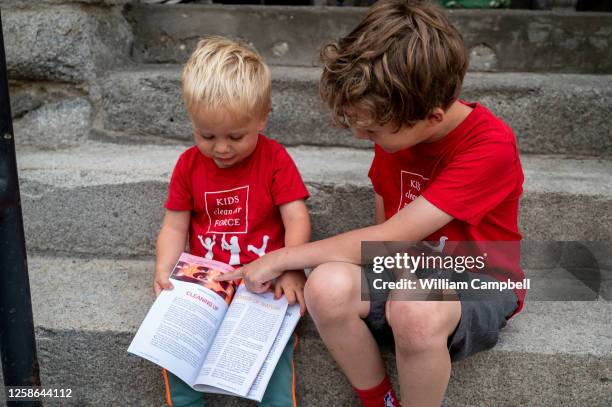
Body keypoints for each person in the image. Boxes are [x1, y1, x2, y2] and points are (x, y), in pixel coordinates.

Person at [217, 1, 525, 406]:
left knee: (415, 311)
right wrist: (400, 274)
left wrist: (282, 258)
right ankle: (381, 400)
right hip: (407, 266)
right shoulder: (397, 131)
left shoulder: (489, 146)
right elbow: (387, 237)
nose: (363, 136)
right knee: (326, 287)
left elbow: (390, 234)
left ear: (431, 117)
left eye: (373, 129)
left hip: (478, 278)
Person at [153, 36, 311, 407]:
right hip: (205, 283)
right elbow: (175, 225)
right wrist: (164, 269)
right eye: (206, 135)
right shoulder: (189, 165)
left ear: (263, 117)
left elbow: (297, 218)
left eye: (235, 136)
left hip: (263, 281)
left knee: (273, 354)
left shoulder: (274, 160)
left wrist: (291, 269)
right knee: (175, 347)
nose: (221, 148)